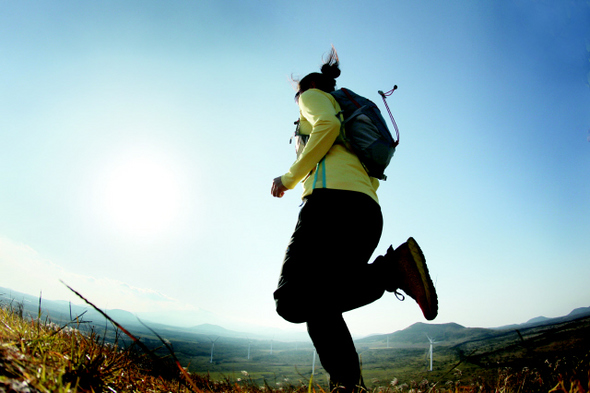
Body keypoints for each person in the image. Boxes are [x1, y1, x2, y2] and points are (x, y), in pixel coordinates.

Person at [270, 47, 438, 393]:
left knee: (291, 298)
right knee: (318, 302)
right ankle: (347, 387)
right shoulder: (346, 117)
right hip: (365, 212)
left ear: (305, 90)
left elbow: (326, 126)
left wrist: (287, 179)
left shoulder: (313, 98)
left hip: (330, 206)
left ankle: (390, 270)